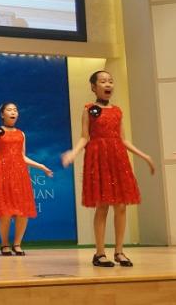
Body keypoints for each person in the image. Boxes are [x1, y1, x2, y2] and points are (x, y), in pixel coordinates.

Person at [62, 71, 155, 267]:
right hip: (98, 158)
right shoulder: (89, 109)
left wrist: (144, 156)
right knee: (102, 205)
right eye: (103, 81)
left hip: (117, 158)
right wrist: (73, 153)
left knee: (121, 206)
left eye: (110, 81)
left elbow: (123, 139)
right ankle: (100, 253)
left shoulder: (118, 111)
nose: (108, 84)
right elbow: (85, 137)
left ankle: (119, 252)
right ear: (93, 87)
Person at [0, 102, 53, 256]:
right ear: (2, 114)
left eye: (15, 110)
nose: (13, 112)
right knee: (5, 211)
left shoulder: (21, 134)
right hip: (3, 173)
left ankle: (17, 244)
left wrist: (41, 166)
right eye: (9, 110)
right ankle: (4, 244)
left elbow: (22, 156)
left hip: (20, 174)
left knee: (22, 211)